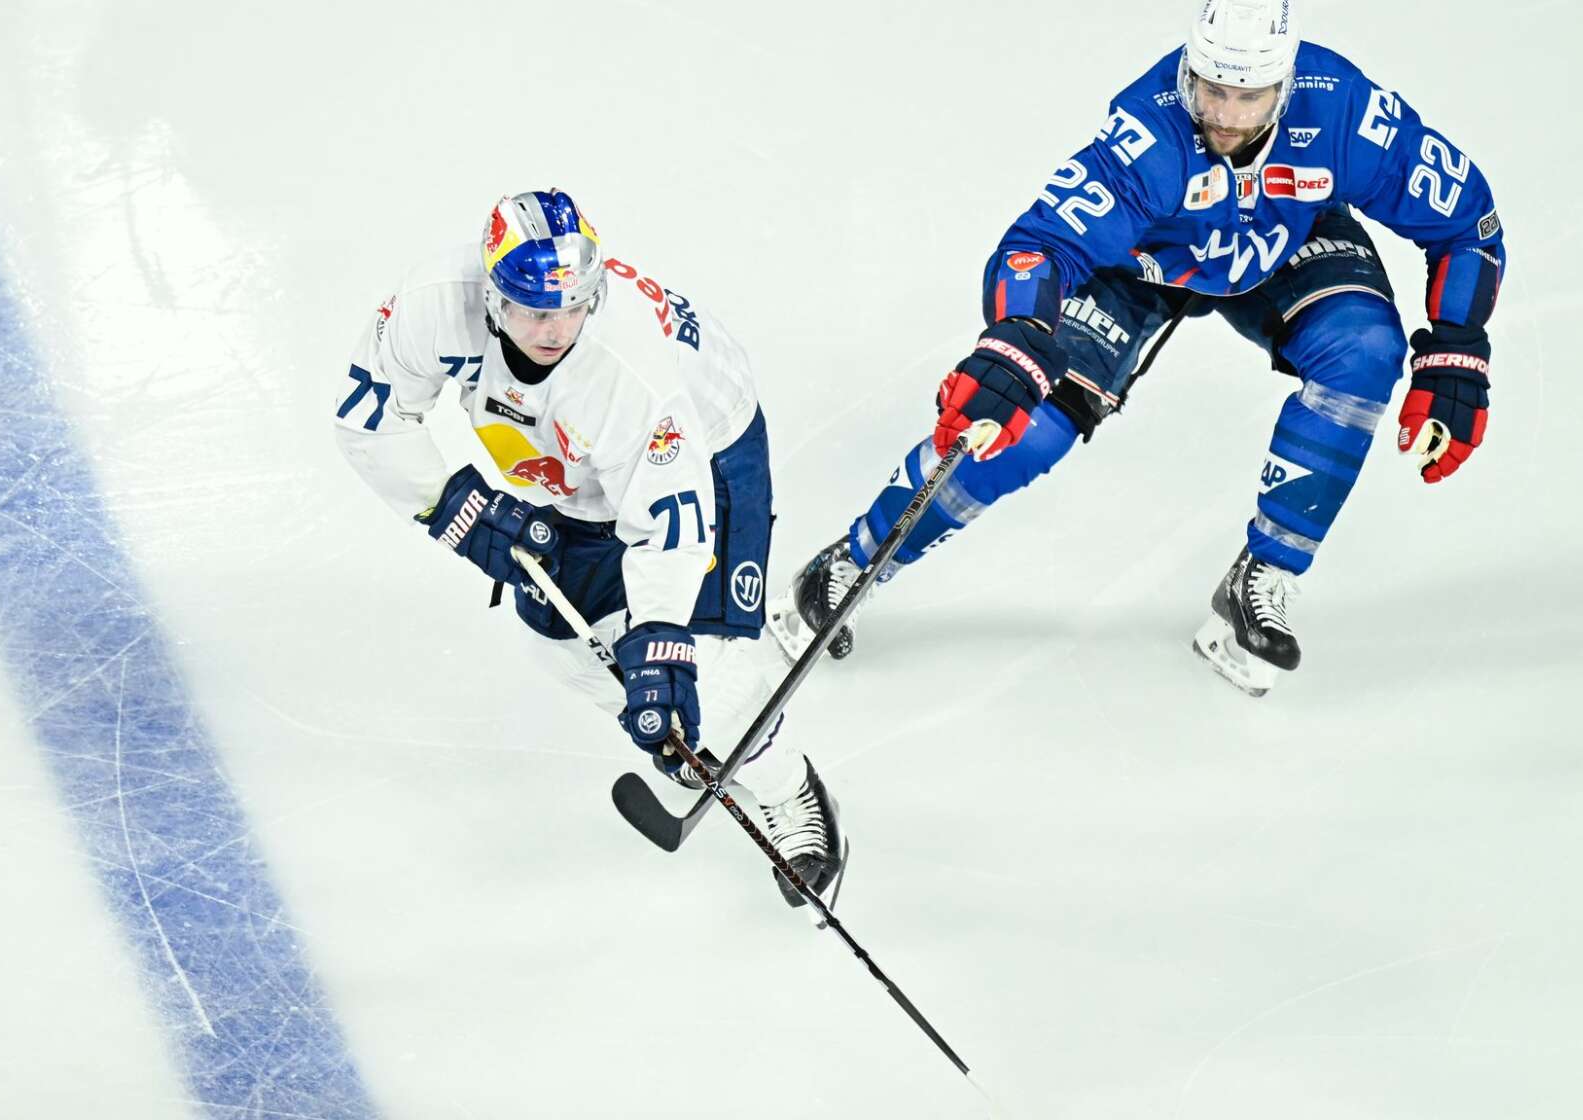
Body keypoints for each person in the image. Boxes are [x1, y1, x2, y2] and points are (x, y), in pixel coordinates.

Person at [769, 0, 1506, 696]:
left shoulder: (1341, 108)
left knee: (1367, 355)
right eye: (1211, 89)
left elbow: (1466, 215)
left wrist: (1457, 348)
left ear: (1284, 87)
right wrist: (1017, 340)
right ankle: (853, 563)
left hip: (1286, 236)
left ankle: (1266, 573)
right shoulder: (1149, 134)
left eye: (1247, 98)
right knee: (1022, 431)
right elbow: (1040, 245)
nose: (1222, 114)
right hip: (1144, 263)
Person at [333, 189, 843, 903]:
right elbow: (368, 419)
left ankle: (790, 789)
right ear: (492, 297)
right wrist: (458, 510)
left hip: (708, 447)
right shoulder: (433, 309)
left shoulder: (621, 366)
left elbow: (667, 516)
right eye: (537, 310)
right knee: (560, 639)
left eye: (575, 304)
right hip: (575, 466)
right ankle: (686, 733)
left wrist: (661, 644)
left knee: (704, 669)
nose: (557, 327)